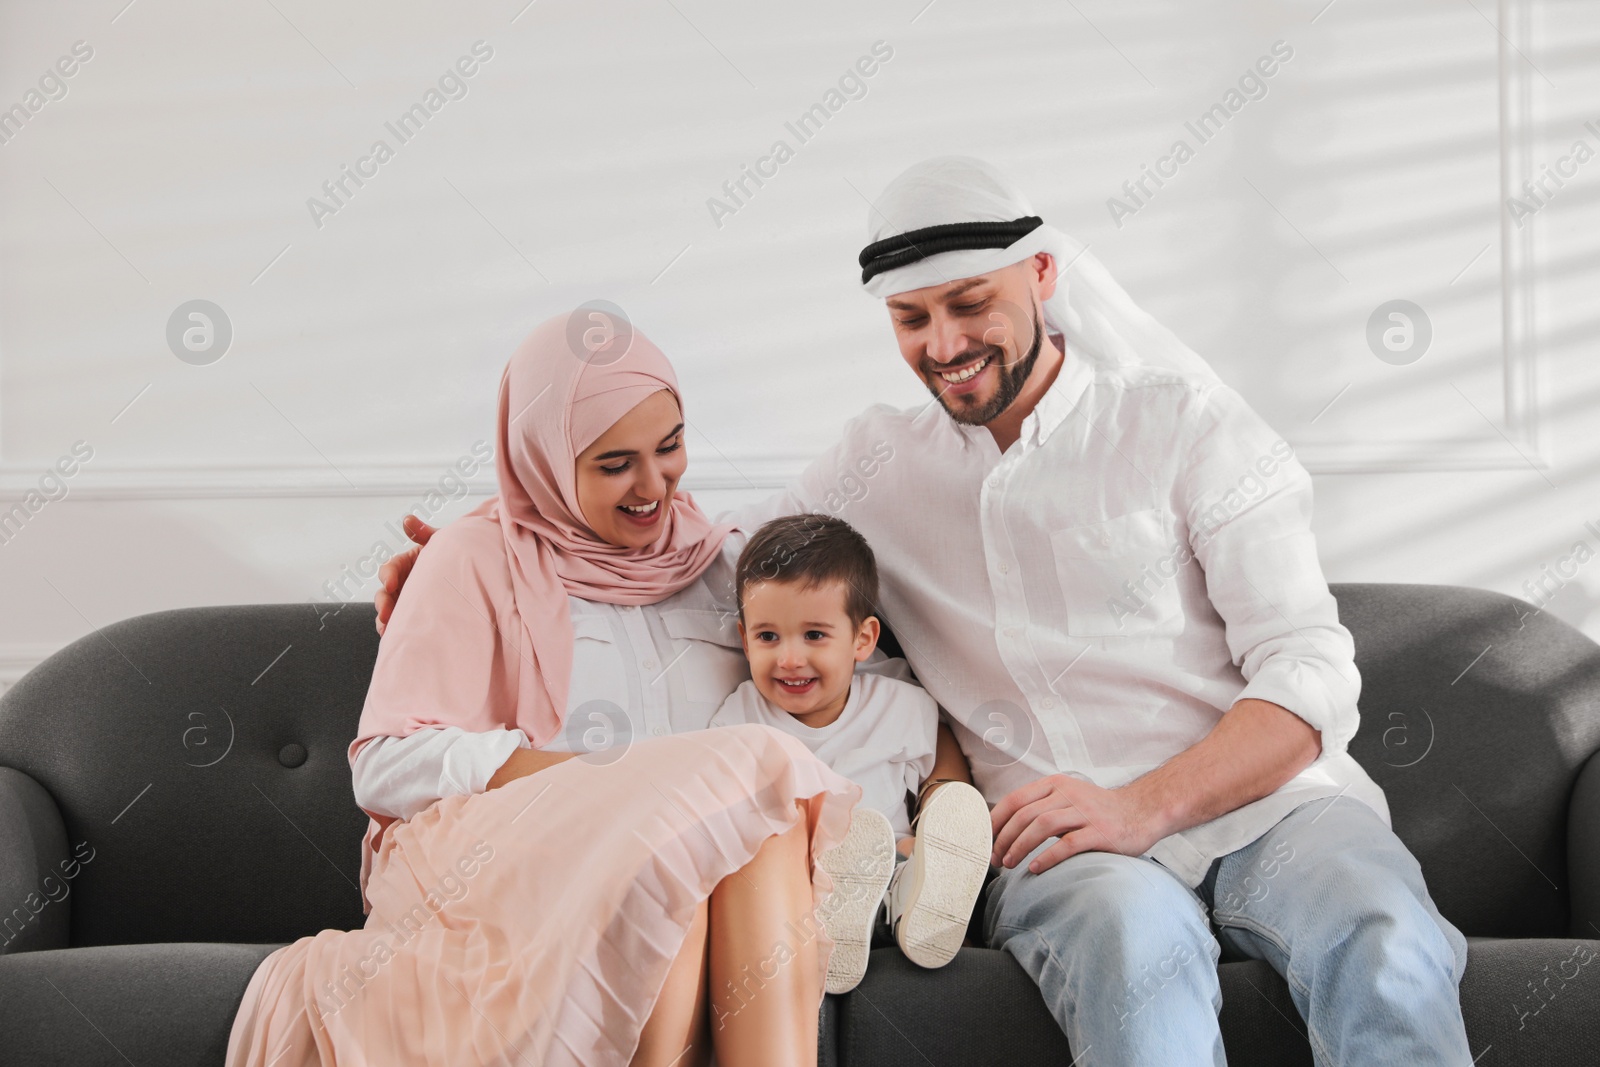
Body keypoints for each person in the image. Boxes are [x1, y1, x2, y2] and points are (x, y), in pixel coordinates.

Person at [380, 157, 1476, 1065]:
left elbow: (1309, 672)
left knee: (1382, 937)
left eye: (969, 305)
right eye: (912, 318)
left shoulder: (1189, 427)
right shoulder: (875, 464)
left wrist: (1143, 804)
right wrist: (479, 556)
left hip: (1272, 809)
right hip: (1061, 852)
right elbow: (699, 556)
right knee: (1135, 957)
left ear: (1041, 275)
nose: (944, 344)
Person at [225, 313, 958, 1067]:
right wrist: (594, 779)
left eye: (669, 448)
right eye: (614, 465)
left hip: (685, 849)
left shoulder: (722, 563)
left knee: (744, 822)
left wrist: (941, 789)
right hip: (521, 851)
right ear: (543, 461)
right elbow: (382, 764)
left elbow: (845, 650)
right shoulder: (474, 558)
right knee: (704, 814)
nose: (654, 486)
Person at [709, 513, 992, 993]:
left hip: (897, 860)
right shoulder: (740, 722)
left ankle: (920, 911)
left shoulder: (898, 706)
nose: (790, 658)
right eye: (768, 637)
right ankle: (836, 926)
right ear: (744, 639)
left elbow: (940, 760)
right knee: (779, 885)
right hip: (794, 877)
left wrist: (943, 803)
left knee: (910, 868)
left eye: (814, 635)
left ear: (863, 640)